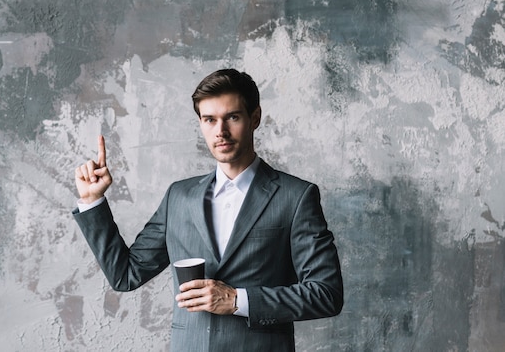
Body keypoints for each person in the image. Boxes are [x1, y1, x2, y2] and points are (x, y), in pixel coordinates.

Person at [73, 69, 343, 351]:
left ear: (255, 118)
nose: (220, 131)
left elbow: (326, 293)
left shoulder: (296, 197)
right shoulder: (178, 196)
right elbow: (125, 275)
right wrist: (93, 201)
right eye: (209, 120)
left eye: (233, 117)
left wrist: (237, 300)